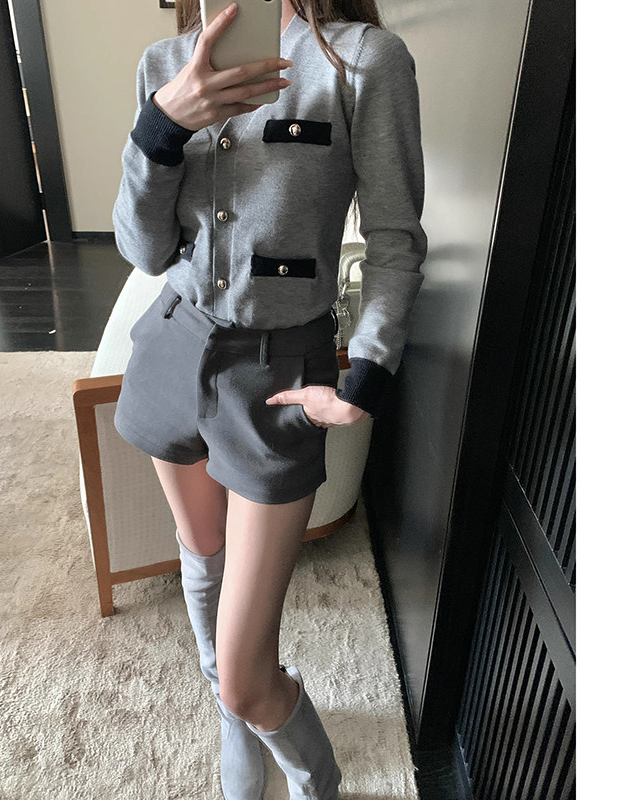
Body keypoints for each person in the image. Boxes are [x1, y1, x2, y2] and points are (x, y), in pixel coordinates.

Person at [111, 0, 427, 796]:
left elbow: (394, 238)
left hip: (281, 374)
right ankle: (230, 708)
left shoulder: (365, 62)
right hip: (175, 346)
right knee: (200, 549)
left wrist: (366, 376)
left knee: (254, 679)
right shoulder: (164, 65)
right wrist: (161, 127)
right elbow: (144, 250)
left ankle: (303, 765)